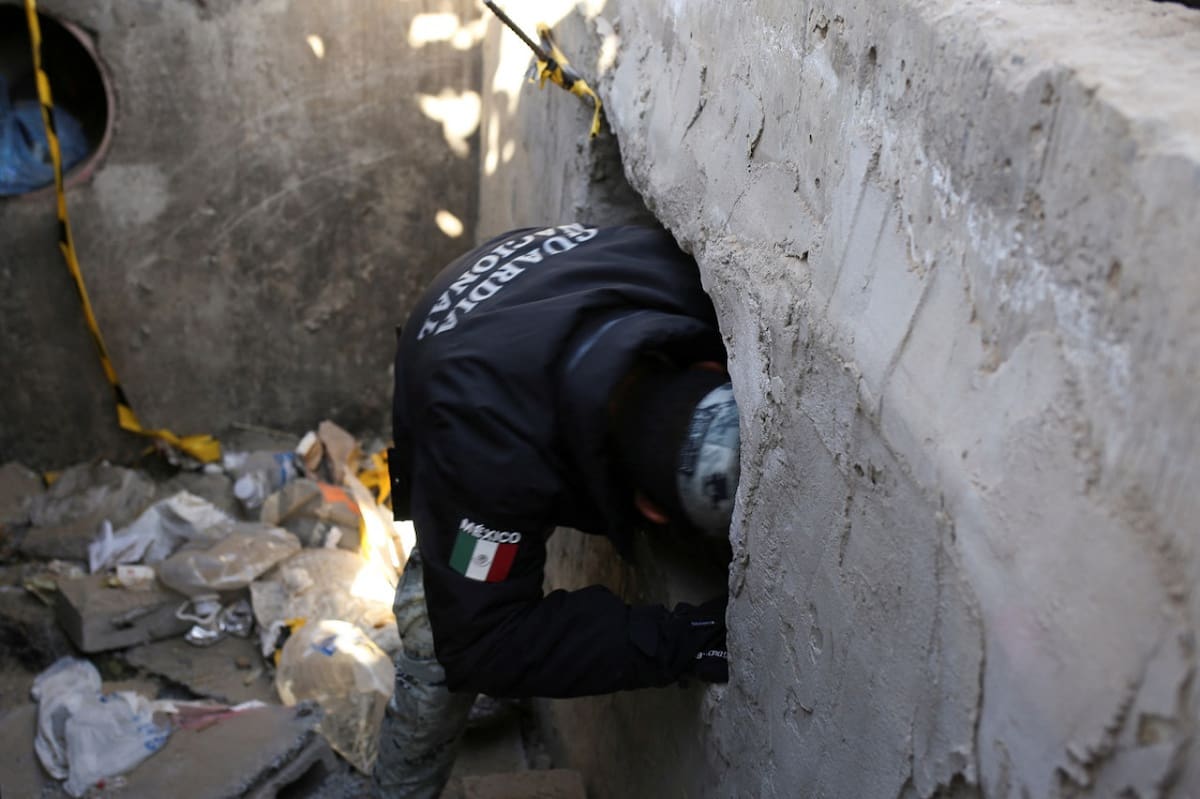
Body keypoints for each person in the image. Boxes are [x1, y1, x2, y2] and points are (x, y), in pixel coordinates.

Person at [374, 224, 740, 798]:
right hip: (449, 366)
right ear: (650, 510)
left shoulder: (688, 292)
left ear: (712, 370)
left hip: (536, 304)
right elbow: (482, 644)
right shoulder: (478, 447)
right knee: (439, 632)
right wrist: (677, 640)